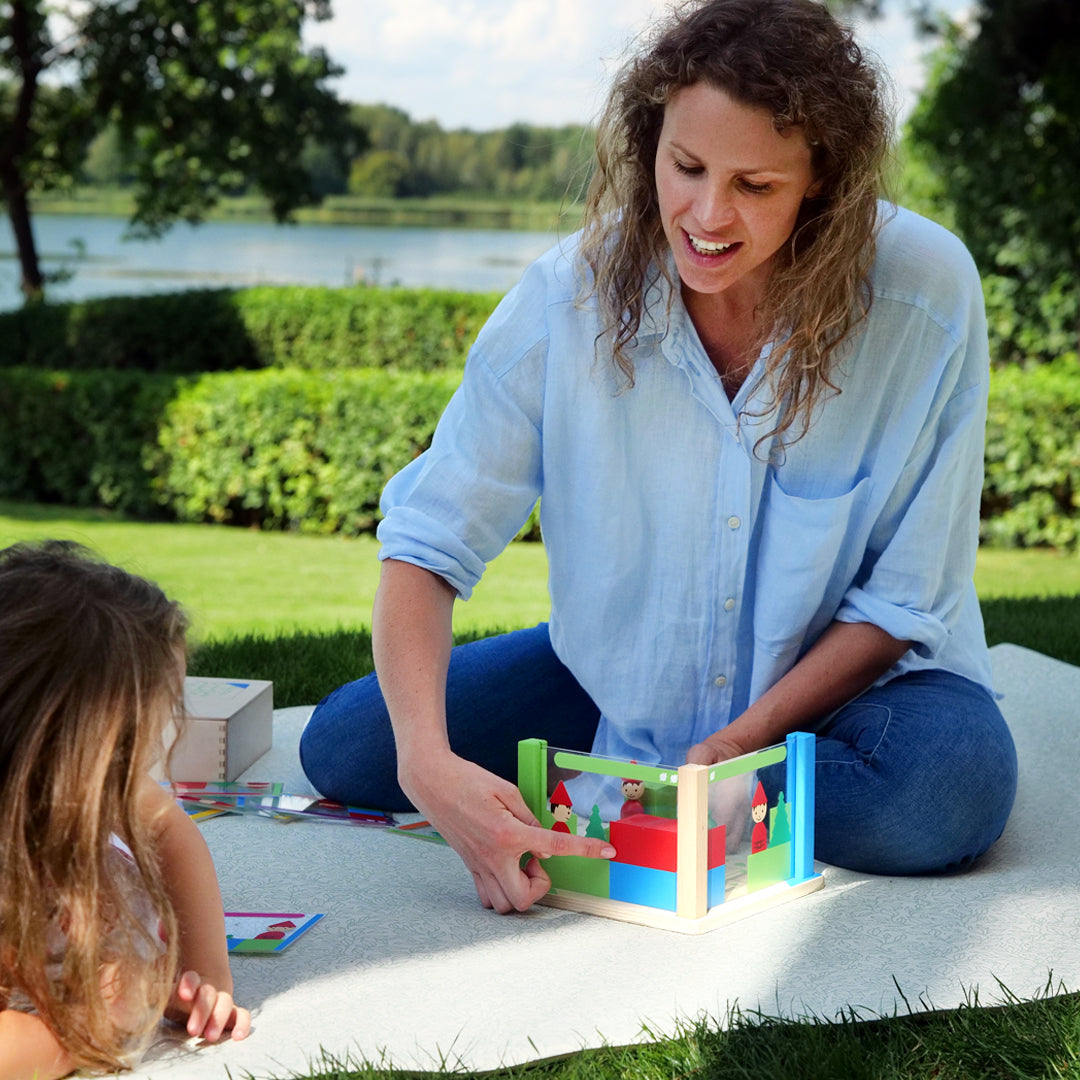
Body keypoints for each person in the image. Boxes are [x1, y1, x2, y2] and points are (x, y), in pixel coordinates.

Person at [300, 0, 1017, 912]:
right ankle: (647, 789)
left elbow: (906, 599)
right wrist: (430, 766)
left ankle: (623, 792)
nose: (707, 214)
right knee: (354, 744)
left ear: (822, 184)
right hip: (627, 674)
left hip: (862, 690)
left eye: (755, 186)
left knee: (942, 794)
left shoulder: (923, 291)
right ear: (650, 146)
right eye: (685, 167)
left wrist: (731, 750)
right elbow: (428, 541)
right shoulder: (569, 296)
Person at [0, 541, 250, 1079]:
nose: (146, 764)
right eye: (138, 742)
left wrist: (202, 974)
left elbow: (169, 829)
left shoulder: (87, 784)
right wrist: (96, 1023)